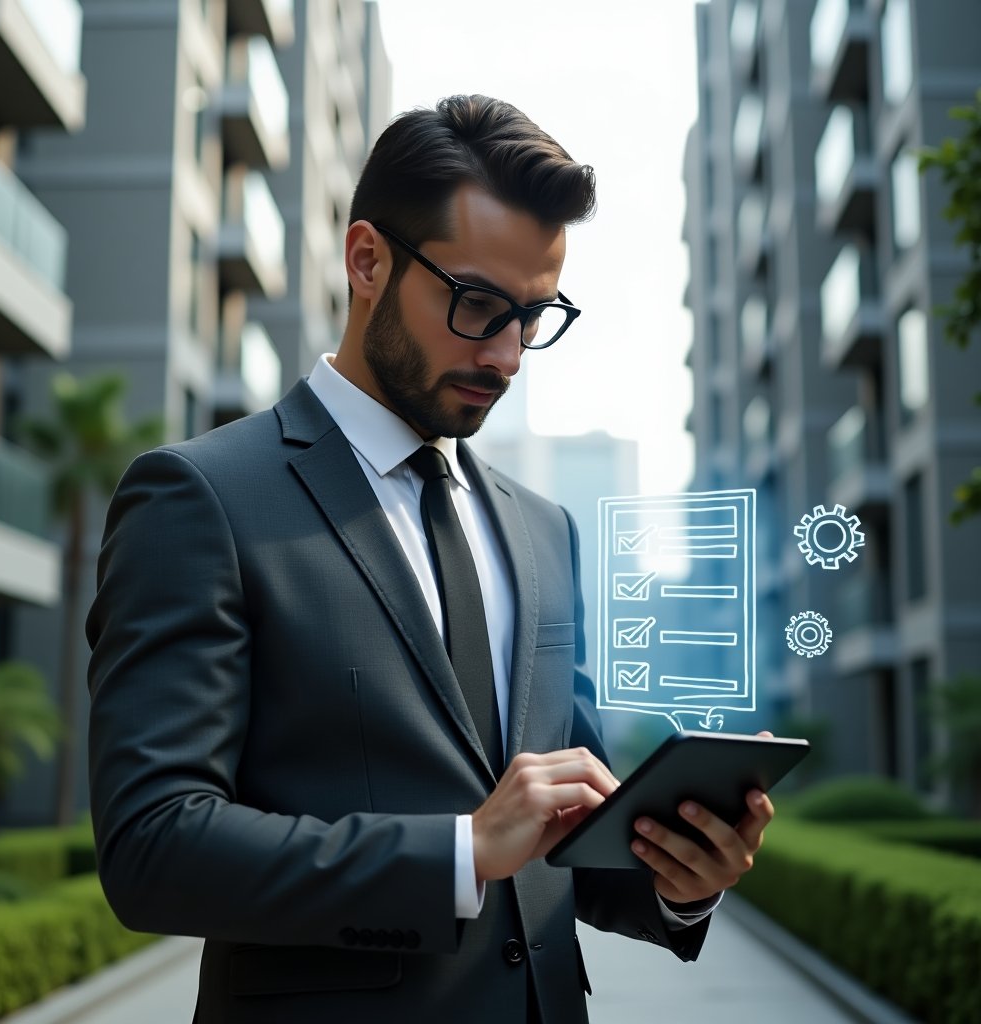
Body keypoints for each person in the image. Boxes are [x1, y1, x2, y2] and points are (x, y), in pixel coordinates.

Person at [86, 94, 774, 1024]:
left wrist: (680, 876)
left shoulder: (544, 530)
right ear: (366, 260)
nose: (508, 356)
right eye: (478, 305)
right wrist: (460, 851)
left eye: (533, 316)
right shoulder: (200, 499)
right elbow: (152, 848)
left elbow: (565, 840)